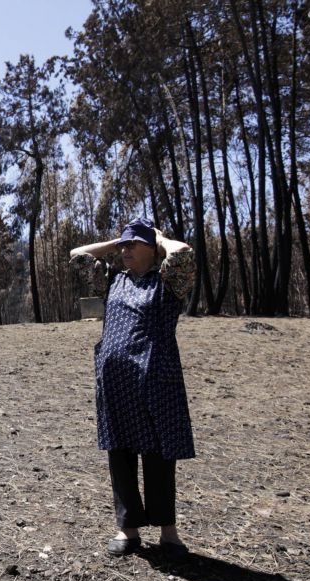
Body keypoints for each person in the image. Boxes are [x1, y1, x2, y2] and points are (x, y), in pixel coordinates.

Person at [69, 217, 196, 558]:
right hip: (116, 382)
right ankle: (128, 531)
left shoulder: (168, 282)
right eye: (123, 244)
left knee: (159, 454)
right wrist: (115, 243)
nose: (125, 249)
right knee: (120, 454)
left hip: (156, 379)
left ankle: (169, 534)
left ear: (151, 249)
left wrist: (160, 239)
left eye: (132, 244)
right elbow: (78, 254)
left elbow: (183, 254)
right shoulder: (113, 281)